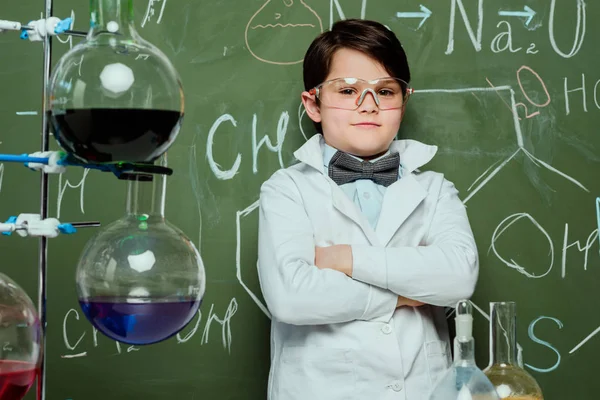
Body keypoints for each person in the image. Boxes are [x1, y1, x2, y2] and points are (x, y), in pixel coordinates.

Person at [257, 18, 478, 400]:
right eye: (347, 90)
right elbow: (292, 296)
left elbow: (458, 279)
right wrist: (402, 295)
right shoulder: (286, 190)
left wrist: (344, 259)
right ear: (313, 104)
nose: (369, 106)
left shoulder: (435, 190)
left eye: (385, 91)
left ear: (403, 102)